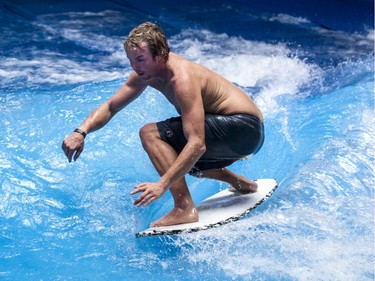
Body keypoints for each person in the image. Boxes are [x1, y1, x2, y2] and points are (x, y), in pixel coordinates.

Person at [62, 22, 264, 228]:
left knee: (151, 135)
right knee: (173, 158)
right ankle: (241, 183)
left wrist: (161, 185)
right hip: (246, 135)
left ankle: (184, 208)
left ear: (159, 55)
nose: (135, 67)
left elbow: (197, 144)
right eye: (131, 61)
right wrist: (81, 131)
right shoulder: (146, 74)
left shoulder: (181, 79)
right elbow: (111, 106)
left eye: (140, 59)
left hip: (243, 128)